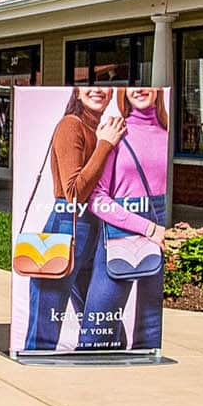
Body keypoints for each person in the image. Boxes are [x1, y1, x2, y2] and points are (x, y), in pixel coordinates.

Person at [23, 87, 119, 353]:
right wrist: (105, 145)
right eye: (89, 85)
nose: (98, 90)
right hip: (67, 223)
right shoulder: (70, 125)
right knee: (44, 328)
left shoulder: (101, 129)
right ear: (76, 93)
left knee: (100, 318)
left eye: (105, 86)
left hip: (96, 228)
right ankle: (36, 369)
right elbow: (74, 192)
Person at [80, 87, 171, 351]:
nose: (140, 89)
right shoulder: (117, 133)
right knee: (97, 329)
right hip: (121, 230)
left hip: (162, 227)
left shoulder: (168, 137)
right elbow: (97, 198)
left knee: (151, 328)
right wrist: (147, 228)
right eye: (131, 85)